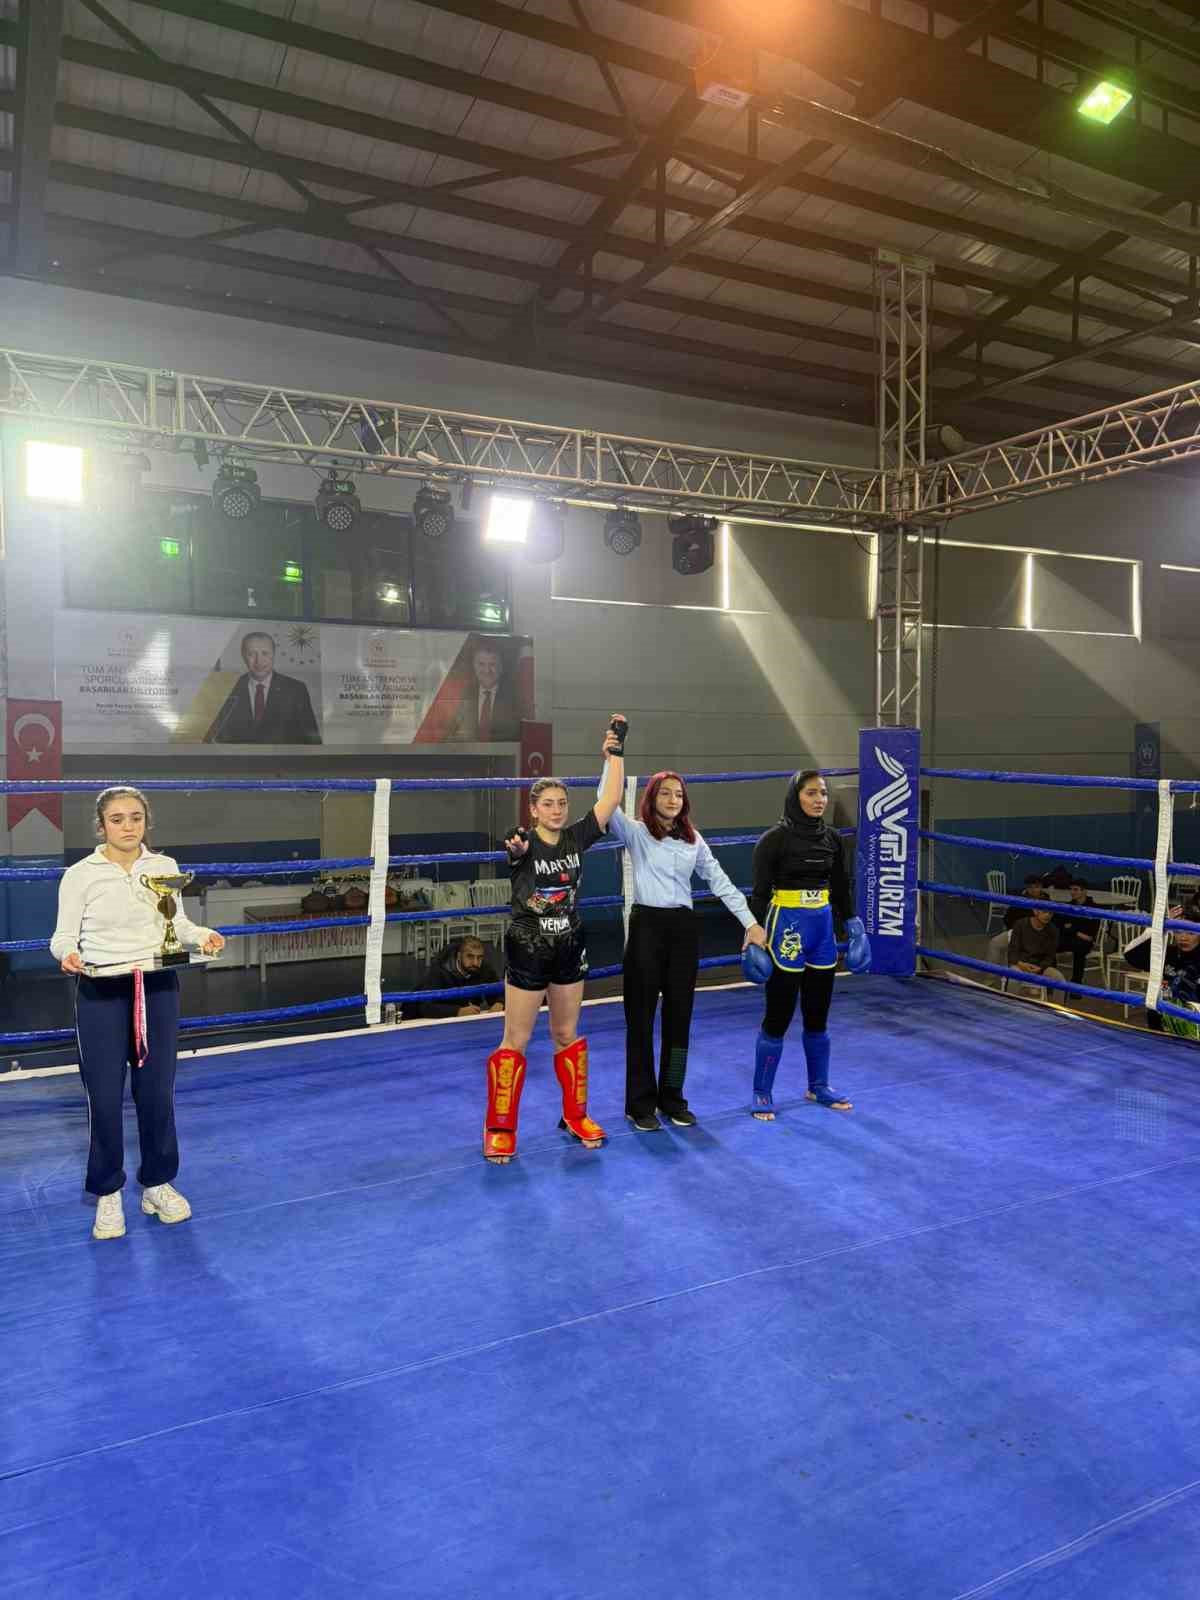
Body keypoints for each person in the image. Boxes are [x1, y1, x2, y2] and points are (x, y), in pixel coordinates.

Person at [49, 786, 225, 1241]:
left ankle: (157, 1184)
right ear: (101, 825)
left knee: (157, 1092)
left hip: (157, 986)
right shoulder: (80, 875)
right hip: (102, 990)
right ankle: (108, 1192)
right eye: (117, 819)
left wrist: (202, 935)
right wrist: (68, 954)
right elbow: (62, 936)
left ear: (146, 822)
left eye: (136, 818)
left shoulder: (164, 867)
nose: (128, 827)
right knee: (105, 1097)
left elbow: (176, 925)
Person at [483, 716, 626, 1163]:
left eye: (562, 802)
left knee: (566, 1033)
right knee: (516, 1038)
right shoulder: (524, 843)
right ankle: (500, 1128)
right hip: (528, 945)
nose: (557, 809)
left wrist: (615, 754)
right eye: (548, 804)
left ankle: (575, 1115)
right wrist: (515, 848)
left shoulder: (575, 837)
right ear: (534, 809)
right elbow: (515, 850)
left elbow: (611, 799)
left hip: (569, 943)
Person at [602, 763, 768, 1130]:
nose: (673, 799)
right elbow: (606, 802)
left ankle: (672, 1099)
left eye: (678, 794)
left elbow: (720, 881)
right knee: (640, 1021)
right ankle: (639, 1104)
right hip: (646, 928)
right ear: (652, 798)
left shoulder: (693, 839)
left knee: (679, 1020)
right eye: (665, 793)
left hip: (682, 931)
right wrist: (612, 757)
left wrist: (751, 923)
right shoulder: (636, 832)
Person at [748, 770, 870, 1120]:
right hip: (786, 927)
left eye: (823, 793)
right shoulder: (774, 840)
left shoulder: (832, 839)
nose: (820, 800)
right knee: (779, 1013)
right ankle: (762, 1091)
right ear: (795, 796)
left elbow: (840, 886)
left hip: (822, 930)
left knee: (818, 1014)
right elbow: (760, 893)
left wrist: (853, 925)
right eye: (812, 793)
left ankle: (819, 1086)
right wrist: (753, 933)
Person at [204, 630, 321, 744]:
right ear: (243, 656)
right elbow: (213, 740)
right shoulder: (227, 689)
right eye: (251, 654)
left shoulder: (296, 690)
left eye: (265, 653)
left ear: (273, 655)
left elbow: (312, 741)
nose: (259, 661)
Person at [1124, 900, 1200, 1038]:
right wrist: (1158, 926)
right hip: (1162, 1024)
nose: (1183, 937)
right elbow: (1130, 954)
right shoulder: (1166, 953)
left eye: (1190, 933)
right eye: (1178, 931)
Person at [406, 935, 503, 1020]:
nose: (475, 962)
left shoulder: (483, 968)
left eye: (479, 957)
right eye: (470, 956)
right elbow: (425, 1006)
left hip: (461, 1023)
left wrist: (499, 1003)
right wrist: (457, 1011)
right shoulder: (439, 970)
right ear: (459, 955)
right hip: (417, 1021)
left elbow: (499, 991)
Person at [450, 642, 520, 743]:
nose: (487, 671)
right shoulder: (463, 695)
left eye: (492, 664)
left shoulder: (515, 697)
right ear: (474, 666)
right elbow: (452, 733)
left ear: (501, 667)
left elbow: (515, 736)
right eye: (481, 664)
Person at [986, 874, 1049, 972]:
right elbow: (1007, 917)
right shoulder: (1021, 899)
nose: (1033, 890)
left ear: (1041, 887)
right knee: (994, 943)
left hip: (1037, 935)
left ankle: (1014, 974)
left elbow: (1049, 924)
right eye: (1030, 887)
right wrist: (1014, 929)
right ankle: (992, 976)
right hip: (1018, 932)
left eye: (1036, 887)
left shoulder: (1047, 902)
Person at [1006, 905, 1065, 994]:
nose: (1048, 915)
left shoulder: (1053, 930)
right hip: (1020, 964)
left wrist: (1040, 967)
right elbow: (1012, 951)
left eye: (1050, 913)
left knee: (1060, 980)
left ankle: (1057, 1004)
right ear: (1035, 911)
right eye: (1044, 912)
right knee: (1014, 979)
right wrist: (1021, 964)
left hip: (1040, 967)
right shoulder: (1020, 924)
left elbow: (1051, 956)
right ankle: (1009, 1002)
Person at [1054, 879, 1100, 986]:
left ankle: (1076, 984)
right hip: (1070, 937)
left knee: (1080, 949)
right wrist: (1077, 932)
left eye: (1075, 889)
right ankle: (1052, 980)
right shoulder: (1069, 906)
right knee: (1050, 944)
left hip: (1083, 941)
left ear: (1084, 891)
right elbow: (1060, 924)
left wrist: (1071, 928)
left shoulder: (1093, 908)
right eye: (1071, 889)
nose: (1072, 892)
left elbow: (1091, 933)